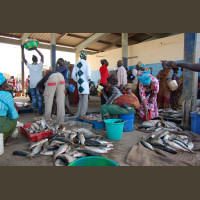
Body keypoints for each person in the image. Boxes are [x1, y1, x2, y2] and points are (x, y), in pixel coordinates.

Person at [21, 45, 44, 114]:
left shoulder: (30, 66)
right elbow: (42, 56)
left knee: (33, 98)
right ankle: (40, 111)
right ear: (37, 60)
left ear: (32, 60)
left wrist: (22, 49)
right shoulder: (40, 65)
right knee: (39, 98)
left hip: (32, 84)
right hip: (39, 84)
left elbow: (24, 59)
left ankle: (35, 109)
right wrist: (36, 49)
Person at [0, 73, 19, 146]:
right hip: (1, 126)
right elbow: (12, 112)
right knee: (14, 117)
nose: (7, 84)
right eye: (5, 83)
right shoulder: (6, 95)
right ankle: (7, 138)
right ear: (1, 85)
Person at [72, 52, 91, 116]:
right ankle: (82, 115)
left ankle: (78, 114)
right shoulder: (87, 63)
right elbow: (88, 74)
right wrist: (89, 80)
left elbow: (73, 75)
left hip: (79, 84)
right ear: (85, 57)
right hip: (85, 84)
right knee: (85, 101)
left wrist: (77, 80)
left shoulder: (76, 64)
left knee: (81, 100)